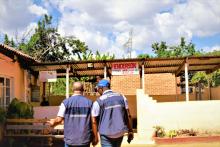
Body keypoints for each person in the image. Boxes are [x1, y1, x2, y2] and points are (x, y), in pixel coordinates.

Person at [47, 82, 98, 147]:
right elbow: (94, 121)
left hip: (70, 140)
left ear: (72, 89)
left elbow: (59, 120)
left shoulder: (65, 103)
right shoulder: (90, 103)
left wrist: (53, 122)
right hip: (84, 140)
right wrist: (96, 137)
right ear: (83, 89)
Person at [91, 79, 134, 147]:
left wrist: (96, 137)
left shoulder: (98, 101)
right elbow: (128, 115)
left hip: (106, 135)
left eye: (98, 89)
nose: (98, 91)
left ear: (101, 88)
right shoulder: (122, 97)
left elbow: (94, 121)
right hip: (120, 133)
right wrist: (130, 131)